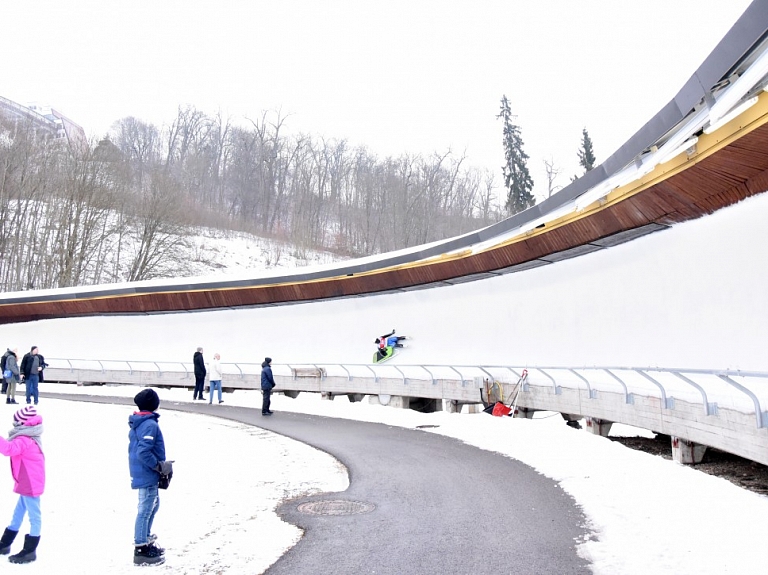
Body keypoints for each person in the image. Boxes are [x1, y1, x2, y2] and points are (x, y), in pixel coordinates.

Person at [129, 389, 172, 566]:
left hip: (144, 472)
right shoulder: (149, 425)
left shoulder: (142, 422)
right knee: (145, 509)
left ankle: (146, 538)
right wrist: (158, 466)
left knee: (153, 505)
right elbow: (143, 452)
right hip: (147, 473)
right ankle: (141, 547)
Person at [0, 405, 45, 564]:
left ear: (22, 423)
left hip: (30, 484)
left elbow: (8, 449)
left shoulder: (24, 440)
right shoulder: (29, 436)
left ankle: (30, 550)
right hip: (26, 482)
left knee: (35, 516)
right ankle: (5, 544)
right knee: (18, 514)